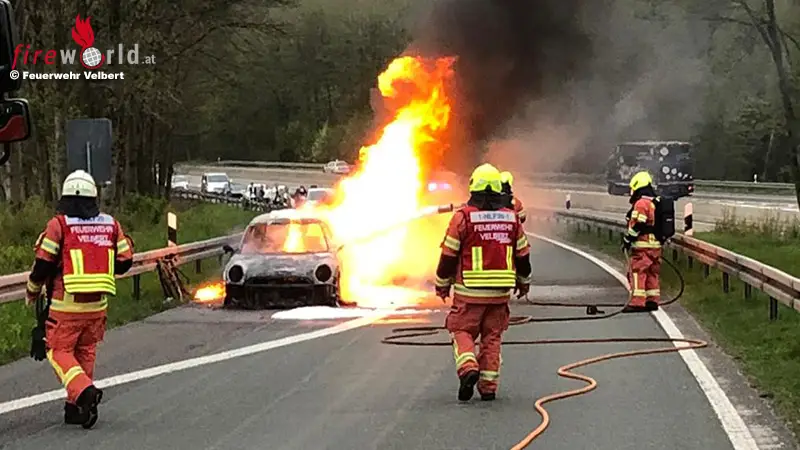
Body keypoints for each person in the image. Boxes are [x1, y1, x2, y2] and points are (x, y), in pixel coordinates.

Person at [25, 170, 134, 428]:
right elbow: (125, 261)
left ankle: (84, 392)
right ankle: (76, 409)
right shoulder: (111, 224)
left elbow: (43, 264)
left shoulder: (59, 225)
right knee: (85, 352)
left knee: (58, 351)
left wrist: (32, 290)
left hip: (66, 305)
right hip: (98, 306)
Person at [434, 163, 532, 402]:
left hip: (469, 293)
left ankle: (468, 368)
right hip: (500, 294)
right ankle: (488, 387)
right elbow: (523, 256)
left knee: (461, 330)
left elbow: (448, 256)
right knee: (492, 337)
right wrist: (524, 282)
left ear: (473, 187)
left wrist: (442, 283)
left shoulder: (463, 218)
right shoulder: (512, 219)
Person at [621, 171, 661, 312]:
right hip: (655, 246)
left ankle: (637, 302)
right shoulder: (655, 202)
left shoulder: (641, 203)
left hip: (642, 245)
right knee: (652, 273)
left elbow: (639, 224)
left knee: (638, 272)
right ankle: (652, 301)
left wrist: (628, 239)